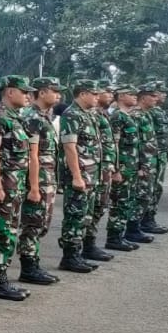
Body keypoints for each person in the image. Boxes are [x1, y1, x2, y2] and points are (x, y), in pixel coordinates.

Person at [0, 74, 35, 301]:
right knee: (0, 232)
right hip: (3, 186)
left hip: (15, 186)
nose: (28, 96)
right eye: (24, 92)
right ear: (10, 92)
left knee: (10, 232)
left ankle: (2, 279)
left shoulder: (15, 118)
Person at [15, 78, 63, 287]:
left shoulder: (43, 117)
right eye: (55, 91)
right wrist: (34, 187)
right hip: (38, 178)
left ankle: (33, 262)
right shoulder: (32, 117)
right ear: (42, 93)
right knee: (33, 222)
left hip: (47, 177)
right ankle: (28, 267)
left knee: (42, 221)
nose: (58, 96)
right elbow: (32, 155)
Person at [56, 80, 103, 269]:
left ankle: (78, 253)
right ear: (82, 94)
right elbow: (70, 147)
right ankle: (69, 257)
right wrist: (76, 176)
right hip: (80, 174)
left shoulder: (88, 115)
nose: (97, 98)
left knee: (85, 215)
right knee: (74, 215)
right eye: (94, 94)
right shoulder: (72, 114)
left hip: (91, 173)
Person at [109, 87, 150, 250]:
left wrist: (140, 166)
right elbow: (115, 145)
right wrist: (116, 169)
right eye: (131, 94)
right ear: (121, 96)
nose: (135, 97)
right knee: (119, 203)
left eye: (135, 94)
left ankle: (121, 234)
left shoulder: (129, 116)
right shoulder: (118, 116)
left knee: (128, 202)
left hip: (132, 166)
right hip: (123, 167)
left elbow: (137, 145)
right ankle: (114, 237)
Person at [82, 87, 119, 263]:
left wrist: (112, 167)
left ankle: (90, 244)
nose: (108, 96)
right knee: (86, 210)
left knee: (99, 206)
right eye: (96, 93)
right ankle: (82, 248)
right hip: (90, 169)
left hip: (102, 168)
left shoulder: (102, 114)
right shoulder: (87, 114)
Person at [137, 83, 168, 235]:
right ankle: (144, 220)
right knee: (147, 190)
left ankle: (149, 219)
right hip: (149, 157)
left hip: (159, 155)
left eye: (163, 93)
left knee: (156, 189)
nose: (161, 96)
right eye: (157, 93)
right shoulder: (146, 113)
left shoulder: (156, 111)